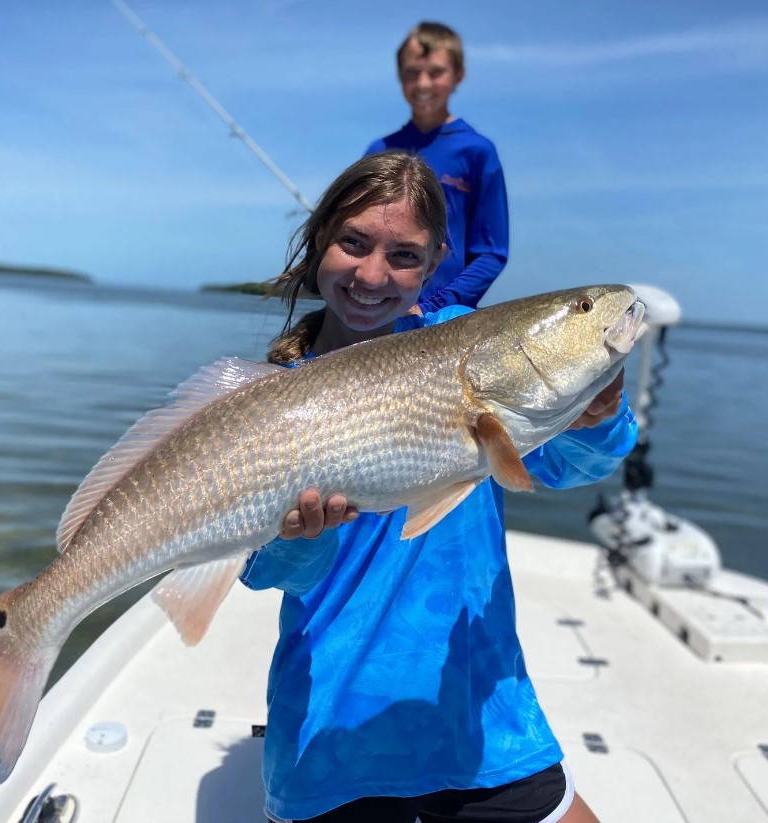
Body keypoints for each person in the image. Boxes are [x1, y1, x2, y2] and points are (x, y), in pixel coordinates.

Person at [242, 150, 637, 823]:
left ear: (433, 264)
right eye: (353, 243)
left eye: (403, 255)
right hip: (334, 731)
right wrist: (303, 539)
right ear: (317, 245)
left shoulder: (467, 350)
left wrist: (595, 416)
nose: (373, 274)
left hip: (479, 712)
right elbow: (266, 570)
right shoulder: (272, 401)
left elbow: (567, 464)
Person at [365, 21, 508, 314]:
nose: (423, 84)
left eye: (436, 72)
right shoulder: (378, 151)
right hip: (378, 306)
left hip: (446, 317)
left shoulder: (477, 151)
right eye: (412, 73)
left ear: (458, 75)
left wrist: (432, 305)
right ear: (400, 77)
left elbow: (492, 253)